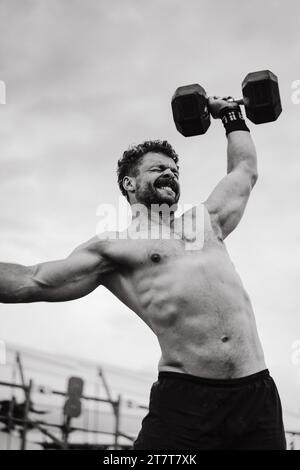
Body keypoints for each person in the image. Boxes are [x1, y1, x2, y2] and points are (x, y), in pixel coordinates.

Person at [0, 98, 286, 450]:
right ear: (129, 184)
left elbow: (244, 170)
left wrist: (230, 115)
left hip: (255, 396)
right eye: (157, 169)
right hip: (186, 402)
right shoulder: (115, 249)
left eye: (174, 170)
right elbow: (33, 279)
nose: (170, 174)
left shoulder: (204, 222)